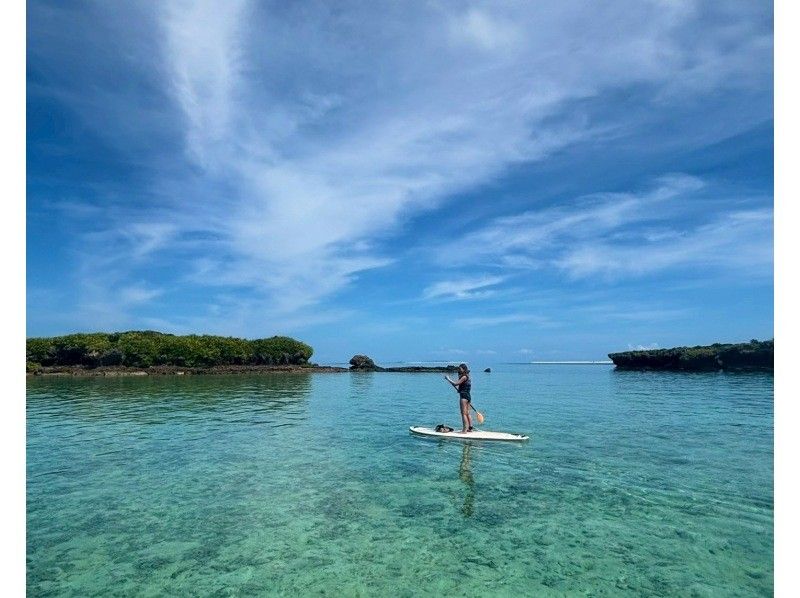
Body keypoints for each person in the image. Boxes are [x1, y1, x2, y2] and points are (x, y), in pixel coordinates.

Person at [444, 363, 473, 433]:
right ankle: (470, 428)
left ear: (464, 369)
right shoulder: (468, 376)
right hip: (468, 396)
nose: (459, 370)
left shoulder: (464, 377)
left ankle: (464, 430)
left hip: (464, 397)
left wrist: (448, 379)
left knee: (463, 413)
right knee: (468, 413)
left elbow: (455, 384)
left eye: (460, 369)